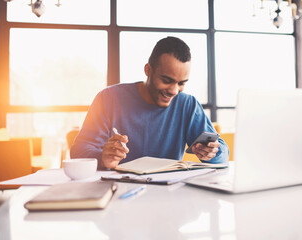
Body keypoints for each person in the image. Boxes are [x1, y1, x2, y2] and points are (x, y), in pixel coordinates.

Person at [70, 36, 229, 169]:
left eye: (181, 83)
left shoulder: (187, 104)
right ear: (148, 70)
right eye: (167, 80)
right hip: (118, 190)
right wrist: (102, 158)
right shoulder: (108, 98)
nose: (174, 90)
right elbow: (79, 151)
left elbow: (223, 152)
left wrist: (213, 152)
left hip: (169, 194)